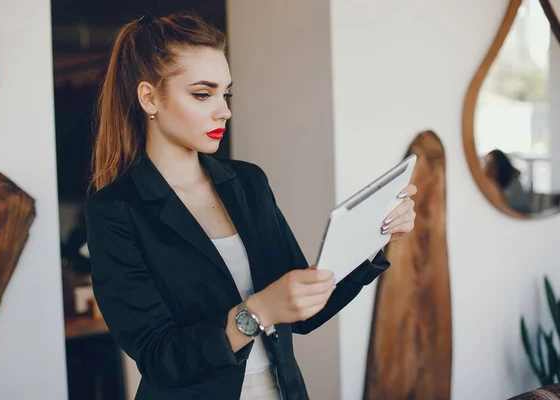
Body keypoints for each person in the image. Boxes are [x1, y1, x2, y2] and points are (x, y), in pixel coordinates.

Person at [84, 12, 417, 400]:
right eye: (202, 94)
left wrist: (372, 239)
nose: (223, 110)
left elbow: (305, 312)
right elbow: (161, 357)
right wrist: (257, 312)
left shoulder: (248, 182)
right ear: (149, 98)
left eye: (225, 94)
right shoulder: (115, 210)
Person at [484, 149, 531, 214]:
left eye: (491, 165)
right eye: (486, 164)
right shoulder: (493, 183)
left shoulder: (514, 185)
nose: (487, 169)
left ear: (500, 166)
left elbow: (504, 207)